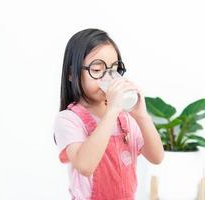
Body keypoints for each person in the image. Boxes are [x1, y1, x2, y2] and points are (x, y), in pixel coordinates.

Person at [53, 28, 164, 200]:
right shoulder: (69, 119)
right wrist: (112, 110)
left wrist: (142, 116)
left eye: (113, 70)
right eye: (97, 70)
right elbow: (85, 166)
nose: (108, 78)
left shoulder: (125, 118)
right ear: (70, 74)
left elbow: (157, 157)